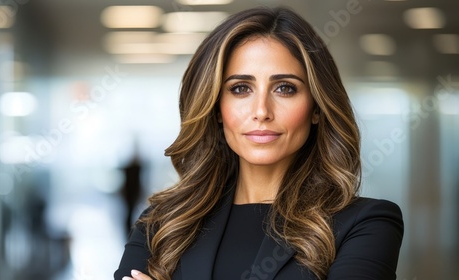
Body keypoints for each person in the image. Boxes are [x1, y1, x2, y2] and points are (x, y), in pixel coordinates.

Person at [114, 6, 404, 280]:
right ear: (216, 107)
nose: (262, 111)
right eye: (241, 89)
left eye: (285, 88)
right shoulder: (162, 223)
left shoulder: (366, 223)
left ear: (316, 107)